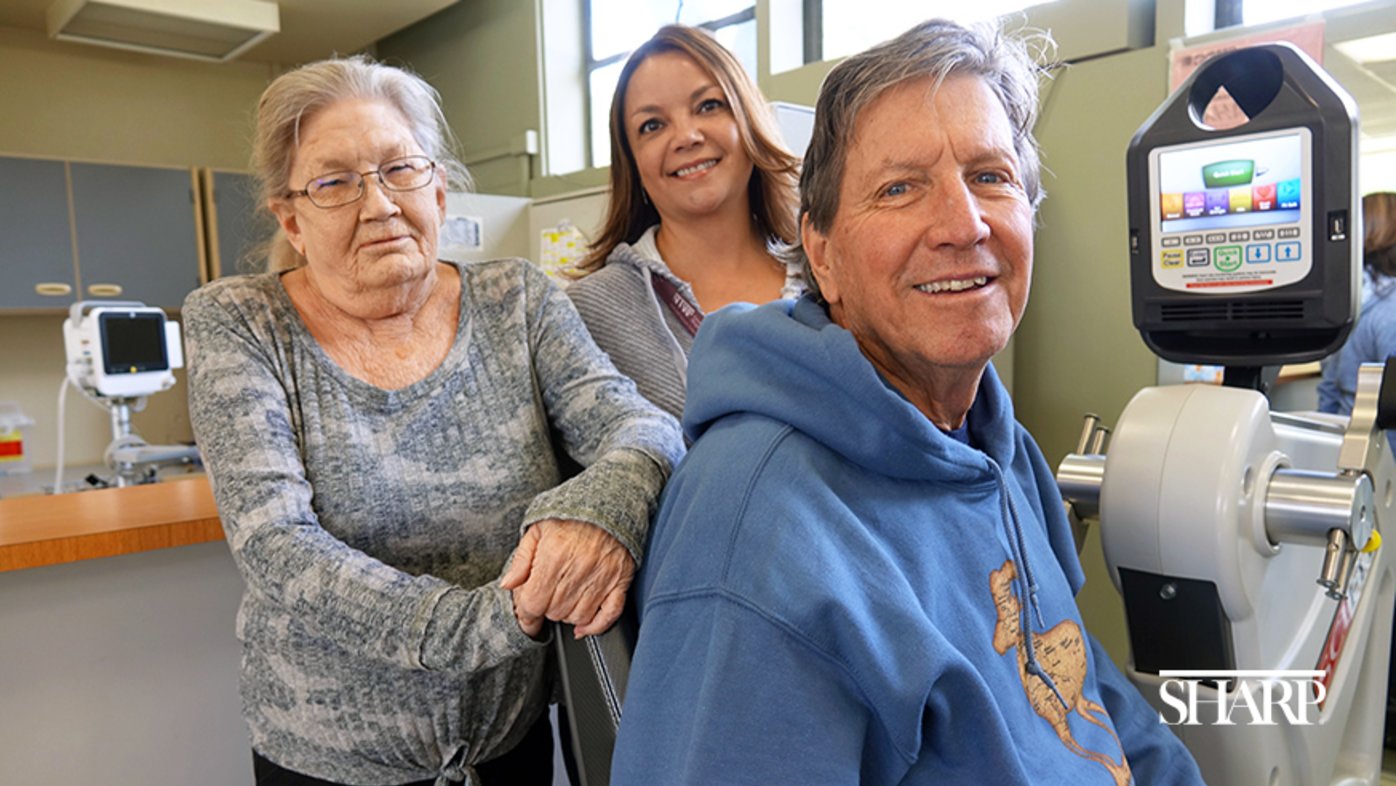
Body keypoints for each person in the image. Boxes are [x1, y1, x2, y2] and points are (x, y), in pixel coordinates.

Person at [610, 19, 1205, 785]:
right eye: (899, 188)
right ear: (821, 255)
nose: (964, 225)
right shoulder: (759, 529)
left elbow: (1077, 691)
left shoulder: (999, 445)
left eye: (991, 177)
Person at [183, 55, 683, 786]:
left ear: (440, 190)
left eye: (400, 170)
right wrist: (503, 619)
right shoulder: (239, 321)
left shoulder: (517, 298)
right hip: (331, 761)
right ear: (290, 216)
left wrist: (594, 515)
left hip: (509, 744)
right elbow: (276, 546)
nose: (379, 204)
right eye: (335, 183)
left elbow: (640, 428)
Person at [567, 24, 803, 419]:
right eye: (652, 126)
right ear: (633, 163)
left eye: (708, 106)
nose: (686, 136)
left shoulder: (827, 276)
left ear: (746, 120)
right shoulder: (590, 312)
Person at [1318, 191, 1396, 415]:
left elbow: (1329, 389)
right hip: (1381, 446)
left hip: (1349, 438)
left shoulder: (1349, 303)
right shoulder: (1389, 311)